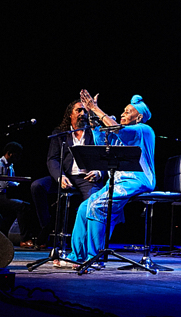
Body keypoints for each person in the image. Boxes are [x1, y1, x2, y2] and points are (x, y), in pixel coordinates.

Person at [57, 92, 155, 266]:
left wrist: (95, 108)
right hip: (116, 181)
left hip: (136, 180)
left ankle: (94, 258)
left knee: (97, 206)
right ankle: (77, 255)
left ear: (139, 117)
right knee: (83, 207)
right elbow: (102, 139)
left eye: (128, 111)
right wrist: (94, 118)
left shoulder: (143, 130)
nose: (123, 113)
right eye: (123, 110)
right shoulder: (122, 131)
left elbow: (118, 130)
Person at [26, 100, 104, 249]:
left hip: (86, 177)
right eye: (78, 110)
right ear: (70, 114)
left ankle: (89, 246)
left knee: (92, 203)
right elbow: (52, 159)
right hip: (65, 175)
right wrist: (60, 176)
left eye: (85, 111)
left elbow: (105, 155)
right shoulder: (60, 133)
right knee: (37, 186)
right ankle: (46, 226)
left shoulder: (95, 132)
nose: (83, 114)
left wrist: (99, 171)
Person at [0, 141, 39, 244]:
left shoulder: (10, 165)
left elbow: (10, 182)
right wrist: (18, 184)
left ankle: (4, 235)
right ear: (10, 153)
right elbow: (4, 184)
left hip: (2, 195)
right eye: (17, 154)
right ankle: (25, 239)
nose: (19, 157)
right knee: (21, 206)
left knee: (25, 206)